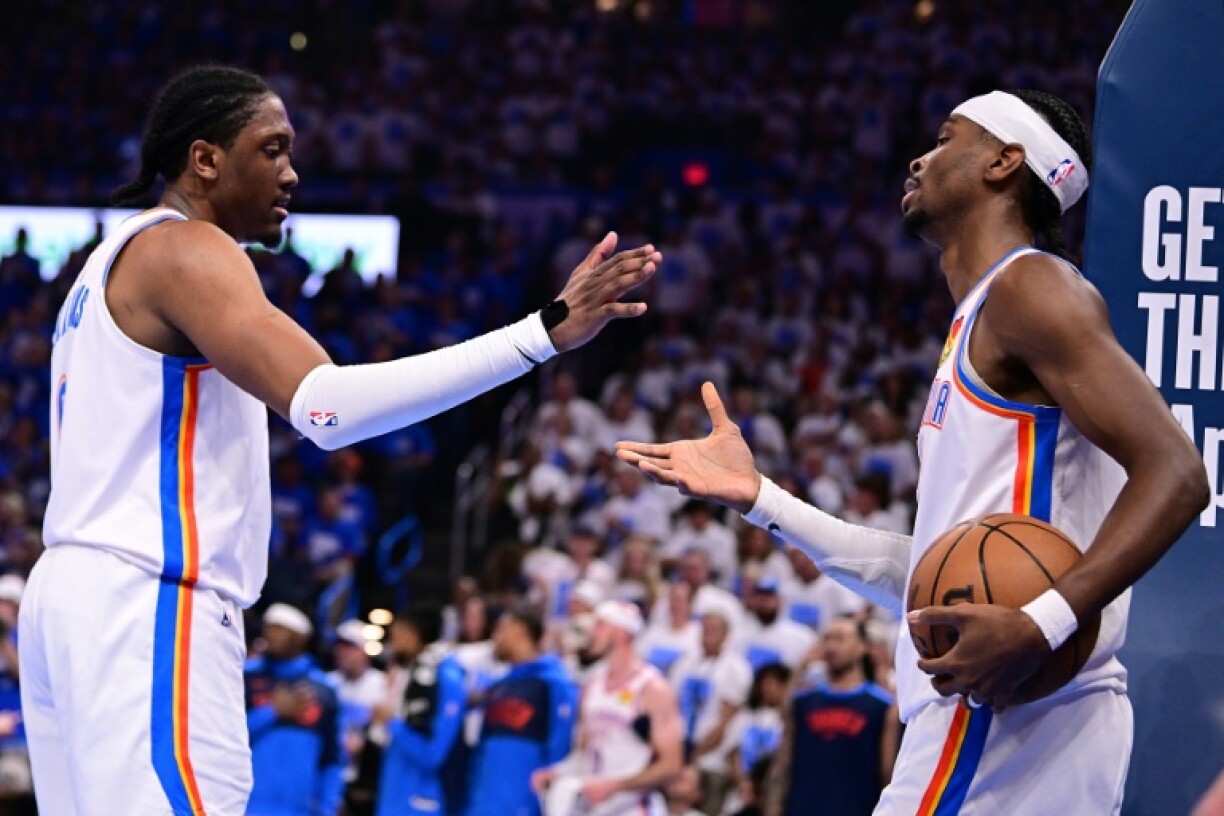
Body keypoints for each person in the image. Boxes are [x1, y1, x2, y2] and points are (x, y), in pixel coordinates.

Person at [21, 64, 658, 815]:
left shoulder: (100, 269)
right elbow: (325, 410)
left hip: (68, 598)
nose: (292, 173)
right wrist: (539, 335)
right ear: (205, 159)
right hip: (146, 600)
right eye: (272, 149)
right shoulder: (188, 248)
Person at [618, 89, 1209, 813]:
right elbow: (933, 583)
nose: (918, 156)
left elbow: (1178, 472)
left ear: (1004, 162)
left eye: (945, 136)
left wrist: (1041, 623)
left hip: (1005, 712)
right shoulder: (981, 320)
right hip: (1018, 708)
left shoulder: (1030, 287)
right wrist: (762, 500)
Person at [532, 600, 683, 816]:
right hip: (594, 806)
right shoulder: (592, 683)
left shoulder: (653, 688)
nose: (592, 632)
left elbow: (671, 763)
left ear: (622, 633)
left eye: (601, 625)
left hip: (633, 807)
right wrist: (557, 773)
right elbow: (584, 752)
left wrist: (616, 786)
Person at [768, 618, 899, 816]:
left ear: (862, 646)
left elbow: (888, 774)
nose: (831, 646)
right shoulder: (803, 701)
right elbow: (783, 762)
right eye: (826, 639)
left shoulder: (882, 706)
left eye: (840, 639)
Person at [466, 604, 577, 816]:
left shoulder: (553, 682)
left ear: (519, 630)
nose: (495, 637)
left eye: (501, 629)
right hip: (483, 803)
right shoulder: (498, 687)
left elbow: (560, 746)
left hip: (523, 804)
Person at [244, 604, 344, 816]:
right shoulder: (245, 677)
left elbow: (332, 756)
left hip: (299, 808)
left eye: (279, 628)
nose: (269, 633)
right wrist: (272, 712)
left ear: (301, 637)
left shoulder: (324, 690)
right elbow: (226, 734)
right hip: (244, 804)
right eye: (268, 627)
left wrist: (327, 806)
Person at [369, 606, 465, 816]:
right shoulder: (405, 675)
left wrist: (392, 723)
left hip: (421, 802)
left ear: (412, 635)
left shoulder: (445, 679)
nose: (391, 646)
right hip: (394, 797)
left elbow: (433, 754)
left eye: (396, 637)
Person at [669, 606, 752, 815]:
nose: (708, 634)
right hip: (680, 757)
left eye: (714, 630)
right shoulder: (685, 663)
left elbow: (726, 721)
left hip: (713, 761)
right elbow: (671, 707)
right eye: (704, 629)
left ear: (727, 635)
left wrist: (693, 755)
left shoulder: (736, 668)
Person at [328, 620, 387, 816]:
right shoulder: (328, 683)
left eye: (350, 647)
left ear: (363, 651)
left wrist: (366, 743)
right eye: (340, 647)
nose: (343, 653)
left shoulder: (381, 684)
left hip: (364, 777)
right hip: (332, 769)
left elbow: (385, 734)